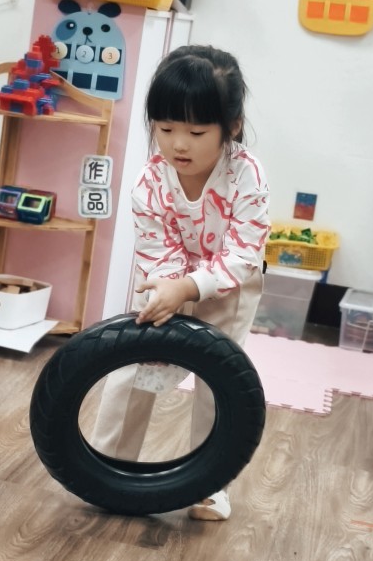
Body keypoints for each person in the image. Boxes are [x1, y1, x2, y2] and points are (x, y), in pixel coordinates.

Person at [90, 45, 270, 520]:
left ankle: (210, 485)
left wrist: (193, 288)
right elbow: (157, 247)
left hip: (228, 289)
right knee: (131, 366)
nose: (179, 145)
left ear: (231, 127)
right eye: (166, 129)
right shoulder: (150, 182)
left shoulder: (247, 176)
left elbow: (243, 253)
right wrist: (172, 290)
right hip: (164, 281)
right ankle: (104, 468)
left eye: (196, 131)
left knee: (219, 384)